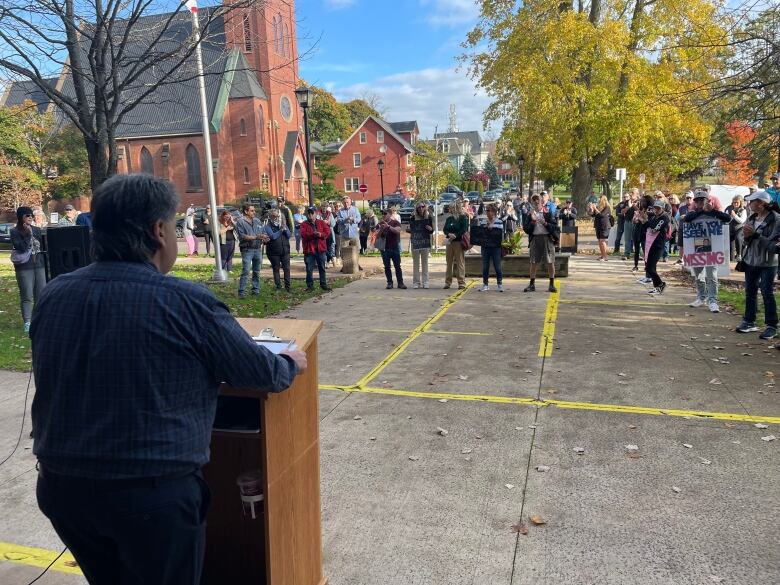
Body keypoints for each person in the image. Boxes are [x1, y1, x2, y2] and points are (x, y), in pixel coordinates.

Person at [29, 174, 307, 585]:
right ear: (159, 232)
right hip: (148, 498)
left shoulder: (55, 293)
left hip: (63, 491)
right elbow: (259, 372)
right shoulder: (183, 301)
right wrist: (291, 362)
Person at [736, 190, 780, 339]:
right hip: (751, 261)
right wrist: (747, 237)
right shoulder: (752, 217)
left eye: (752, 201)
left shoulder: (776, 219)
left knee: (767, 291)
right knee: (750, 291)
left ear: (761, 203)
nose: (749, 204)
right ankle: (749, 321)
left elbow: (774, 247)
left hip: (768, 262)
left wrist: (756, 235)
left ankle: (771, 326)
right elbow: (747, 241)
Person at [682, 192, 731, 313]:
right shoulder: (693, 213)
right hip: (697, 248)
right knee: (698, 275)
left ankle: (713, 300)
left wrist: (712, 211)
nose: (699, 202)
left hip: (712, 249)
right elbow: (686, 220)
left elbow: (728, 219)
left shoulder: (715, 213)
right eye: (697, 201)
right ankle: (701, 297)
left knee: (712, 275)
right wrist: (702, 211)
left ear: (707, 200)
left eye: (702, 200)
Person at [10, 206, 46, 333]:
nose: (30, 217)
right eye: (27, 215)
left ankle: (38, 320)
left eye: (31, 215)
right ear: (21, 217)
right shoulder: (14, 231)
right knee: (27, 296)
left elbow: (43, 247)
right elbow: (21, 247)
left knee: (40, 295)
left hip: (39, 265)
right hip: (24, 267)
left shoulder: (37, 229)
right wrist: (27, 234)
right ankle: (27, 322)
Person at [522, 194, 559, 292]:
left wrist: (545, 223)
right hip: (535, 239)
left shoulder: (548, 213)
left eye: (537, 200)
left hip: (547, 238)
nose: (536, 202)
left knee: (550, 262)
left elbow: (554, 227)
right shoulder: (530, 214)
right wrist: (533, 222)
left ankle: (551, 284)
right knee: (533, 262)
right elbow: (526, 229)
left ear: (542, 202)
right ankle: (532, 284)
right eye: (533, 201)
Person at [234, 203, 269, 298]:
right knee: (246, 271)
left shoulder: (257, 221)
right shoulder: (240, 222)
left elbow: (263, 232)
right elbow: (242, 236)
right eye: (252, 210)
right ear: (246, 211)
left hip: (257, 249)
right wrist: (256, 237)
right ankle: (241, 292)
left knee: (257, 271)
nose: (254, 212)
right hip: (247, 250)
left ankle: (255, 290)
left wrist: (265, 237)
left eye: (254, 210)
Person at [300, 206, 332, 292]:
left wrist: (320, 235)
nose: (310, 215)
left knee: (322, 267)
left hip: (320, 249)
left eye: (312, 213)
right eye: (309, 214)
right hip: (309, 250)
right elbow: (303, 235)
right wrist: (313, 234)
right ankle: (310, 286)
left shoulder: (321, 222)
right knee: (309, 269)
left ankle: (323, 284)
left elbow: (327, 232)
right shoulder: (304, 224)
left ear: (316, 213)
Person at [642, 200, 671, 295]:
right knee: (651, 267)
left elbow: (655, 228)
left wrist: (646, 221)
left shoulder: (664, 218)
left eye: (659, 208)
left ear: (662, 208)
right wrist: (643, 220)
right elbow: (647, 227)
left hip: (658, 245)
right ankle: (657, 287)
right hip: (652, 244)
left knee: (650, 268)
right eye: (655, 208)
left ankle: (661, 284)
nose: (657, 210)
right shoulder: (654, 217)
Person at [262, 208, 292, 292]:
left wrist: (284, 229)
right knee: (276, 268)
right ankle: (278, 286)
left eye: (277, 216)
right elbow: (273, 236)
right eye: (274, 216)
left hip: (285, 250)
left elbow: (289, 235)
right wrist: (280, 230)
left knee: (287, 268)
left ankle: (288, 286)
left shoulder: (283, 224)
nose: (276, 218)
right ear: (270, 217)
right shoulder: (267, 226)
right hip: (273, 252)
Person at [443, 200, 470, 290]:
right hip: (449, 242)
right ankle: (448, 282)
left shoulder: (463, 218)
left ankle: (461, 283)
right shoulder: (449, 219)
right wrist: (448, 234)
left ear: (455, 208)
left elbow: (464, 229)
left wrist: (456, 235)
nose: (449, 209)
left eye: (450, 207)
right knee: (449, 262)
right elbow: (445, 229)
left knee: (460, 262)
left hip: (459, 242)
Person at [378, 207, 406, 289]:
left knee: (397, 266)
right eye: (382, 214)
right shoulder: (380, 224)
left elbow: (398, 230)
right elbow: (376, 236)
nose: (383, 215)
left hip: (394, 247)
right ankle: (389, 283)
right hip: (385, 248)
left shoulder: (395, 222)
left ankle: (400, 283)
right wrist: (381, 229)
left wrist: (389, 227)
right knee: (387, 267)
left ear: (390, 214)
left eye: (385, 213)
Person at [479, 204, 504, 292]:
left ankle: (499, 284)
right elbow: (480, 234)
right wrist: (486, 228)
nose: (487, 212)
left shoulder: (499, 222)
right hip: (485, 247)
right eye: (486, 210)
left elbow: (499, 234)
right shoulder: (483, 222)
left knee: (497, 266)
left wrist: (491, 228)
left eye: (488, 210)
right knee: (485, 267)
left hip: (496, 248)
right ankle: (485, 284)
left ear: (493, 212)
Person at [407, 202, 433, 289]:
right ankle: (416, 282)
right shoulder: (413, 218)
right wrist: (409, 230)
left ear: (425, 208)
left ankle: (426, 282)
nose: (421, 208)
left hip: (425, 242)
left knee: (425, 263)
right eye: (419, 207)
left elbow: (432, 230)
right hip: (416, 242)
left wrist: (430, 229)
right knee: (416, 263)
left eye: (422, 207)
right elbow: (410, 229)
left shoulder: (428, 217)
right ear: (417, 209)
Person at [588, 195, 612, 261]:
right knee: (599, 241)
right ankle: (602, 255)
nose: (598, 201)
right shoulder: (599, 207)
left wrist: (595, 208)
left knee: (602, 241)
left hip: (605, 226)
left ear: (603, 200)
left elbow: (602, 215)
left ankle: (605, 256)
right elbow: (592, 215)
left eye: (599, 200)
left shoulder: (607, 207)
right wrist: (591, 209)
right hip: (598, 225)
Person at [725, 195, 747, 261]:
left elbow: (741, 221)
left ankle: (739, 255)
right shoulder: (728, 209)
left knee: (738, 237)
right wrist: (729, 217)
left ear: (740, 203)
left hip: (740, 228)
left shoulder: (743, 210)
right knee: (728, 241)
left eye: (737, 202)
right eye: (734, 202)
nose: (736, 204)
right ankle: (730, 258)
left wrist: (734, 216)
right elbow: (725, 219)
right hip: (731, 228)